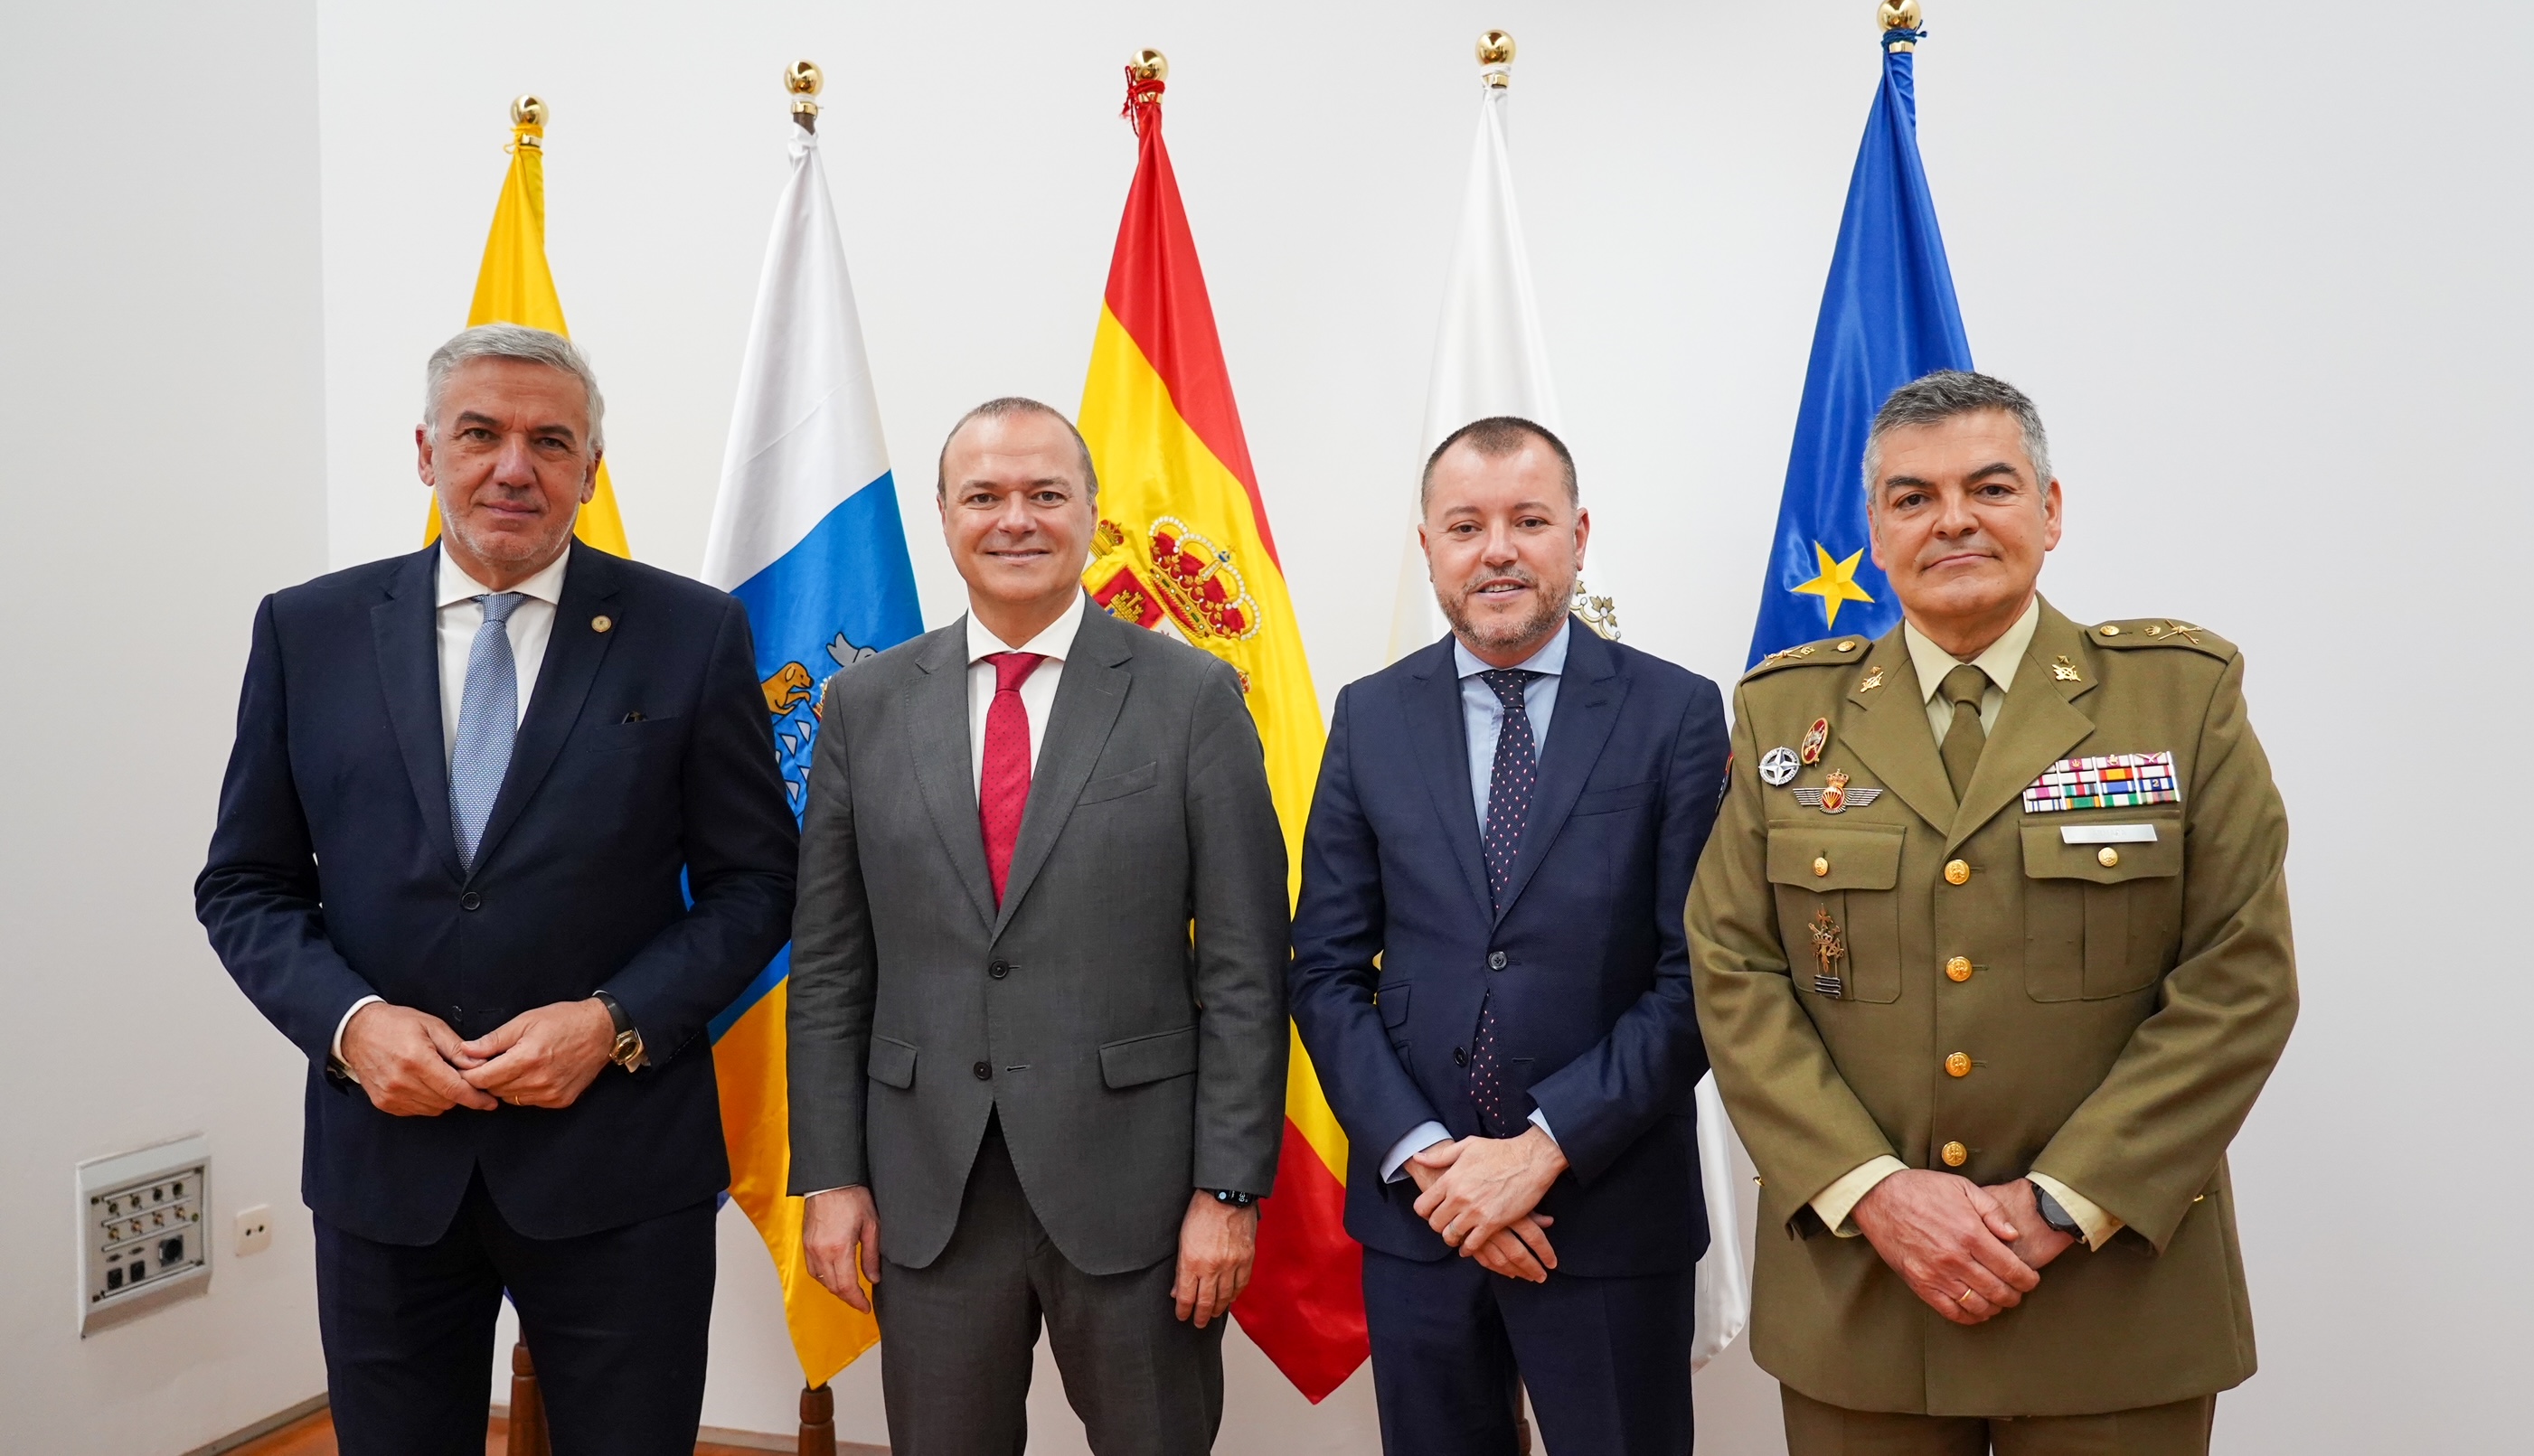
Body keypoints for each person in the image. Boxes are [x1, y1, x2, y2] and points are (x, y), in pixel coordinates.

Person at [194, 324, 797, 1453]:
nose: (512, 466)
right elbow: (244, 884)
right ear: (426, 451)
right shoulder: (306, 631)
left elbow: (757, 884)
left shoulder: (691, 633)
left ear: (590, 470)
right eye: (480, 433)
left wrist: (613, 1023)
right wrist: (352, 1026)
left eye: (549, 441)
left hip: (620, 1167)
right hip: (386, 1166)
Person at [1687, 370, 2299, 1455]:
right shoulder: (1786, 712)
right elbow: (1734, 968)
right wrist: (1874, 1191)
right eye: (1912, 497)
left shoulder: (2177, 697)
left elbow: (2237, 981)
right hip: (1863, 1300)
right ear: (1874, 530)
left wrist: (2063, 1200)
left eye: (1990, 486)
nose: (1952, 519)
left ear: (2050, 512)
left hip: (2114, 1303)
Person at [787, 398, 1290, 1456]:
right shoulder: (863, 706)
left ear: (1091, 512)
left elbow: (1246, 966)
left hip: (1140, 1195)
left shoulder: (1192, 696)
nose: (1014, 518)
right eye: (984, 495)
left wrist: (1227, 1190)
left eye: (1045, 493)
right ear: (943, 515)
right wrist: (830, 1175)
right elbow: (831, 964)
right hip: (929, 1196)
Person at [1290, 417, 1728, 1456]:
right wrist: (1434, 1162)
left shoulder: (1675, 711)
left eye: (1528, 520)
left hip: (1608, 1210)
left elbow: (1699, 977)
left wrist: (1539, 1151)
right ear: (1429, 547)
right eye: (1466, 524)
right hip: (1421, 1219)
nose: (1497, 549)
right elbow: (1325, 970)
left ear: (1577, 535)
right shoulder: (1368, 716)